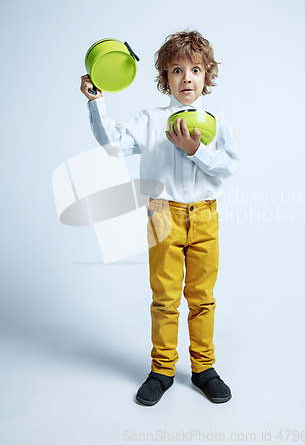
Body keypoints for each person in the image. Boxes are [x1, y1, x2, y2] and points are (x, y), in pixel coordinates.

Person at [80, 30, 241, 406]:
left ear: (207, 75)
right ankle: (162, 370)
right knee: (165, 298)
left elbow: (227, 168)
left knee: (202, 298)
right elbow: (114, 145)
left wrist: (196, 150)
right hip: (162, 215)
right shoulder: (150, 120)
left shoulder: (218, 122)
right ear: (164, 77)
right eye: (177, 70)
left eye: (196, 69)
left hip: (204, 216)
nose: (187, 77)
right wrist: (96, 103)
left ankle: (204, 369)